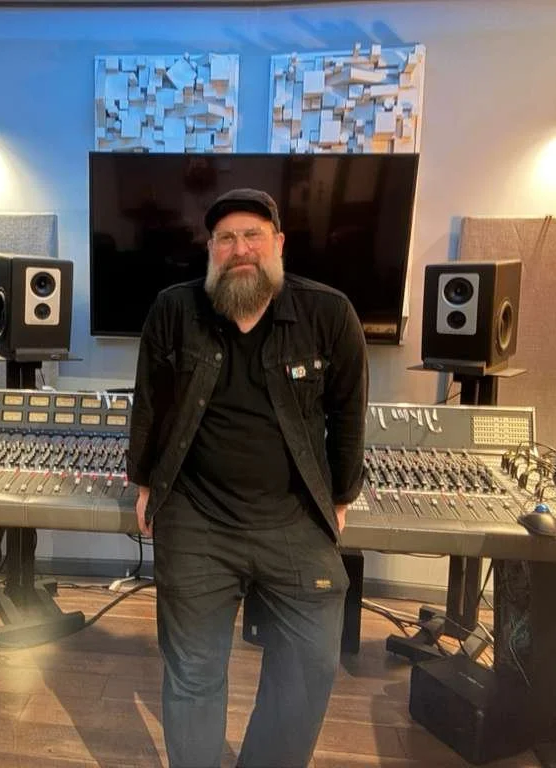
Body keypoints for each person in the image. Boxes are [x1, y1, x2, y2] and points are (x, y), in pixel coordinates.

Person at [127, 188, 369, 768]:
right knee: (193, 672)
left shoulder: (328, 313)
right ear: (211, 249)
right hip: (197, 517)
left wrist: (340, 495)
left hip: (292, 518)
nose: (241, 249)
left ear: (278, 243)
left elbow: (348, 411)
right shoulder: (174, 309)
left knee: (310, 669)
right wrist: (143, 482)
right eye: (227, 238)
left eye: (253, 235)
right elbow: (150, 402)